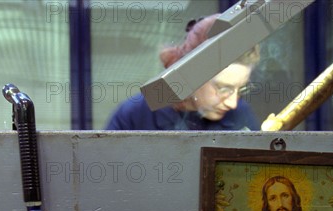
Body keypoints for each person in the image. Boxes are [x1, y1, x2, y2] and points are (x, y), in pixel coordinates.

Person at [105, 14, 260, 131]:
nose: (232, 103)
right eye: (223, 88)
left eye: (240, 89)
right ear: (191, 76)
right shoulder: (135, 115)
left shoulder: (241, 113)